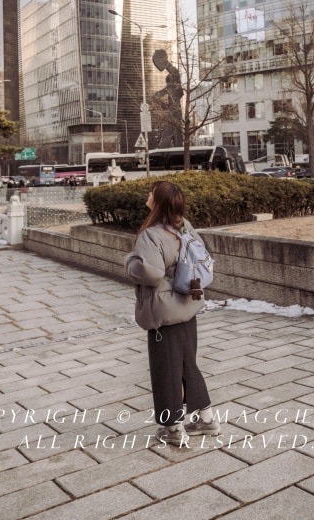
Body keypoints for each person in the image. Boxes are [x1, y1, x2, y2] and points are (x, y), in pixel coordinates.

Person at [125, 181, 220, 447]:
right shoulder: (184, 226)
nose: (147, 196)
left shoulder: (151, 235)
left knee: (166, 368)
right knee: (188, 363)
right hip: (188, 305)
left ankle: (173, 428)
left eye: (151, 194)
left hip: (164, 311)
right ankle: (207, 418)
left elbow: (151, 272)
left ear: (158, 201)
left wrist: (130, 262)